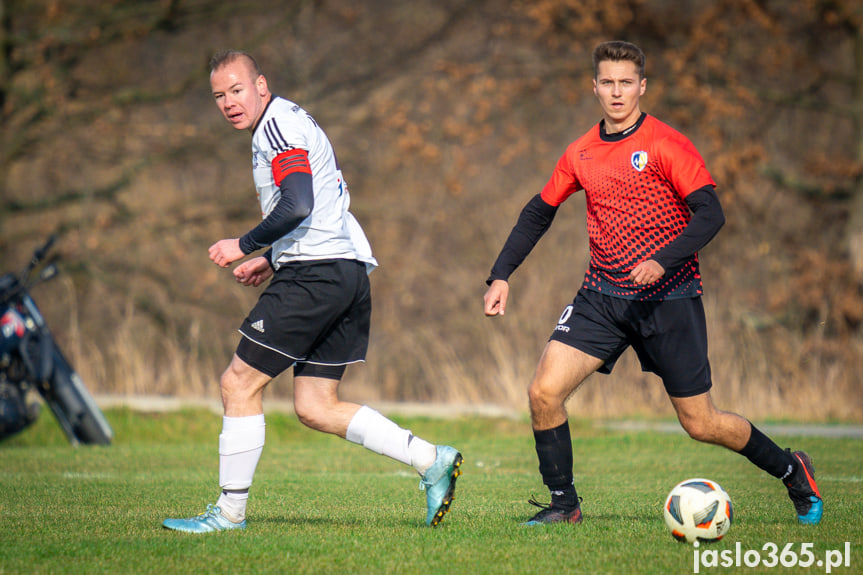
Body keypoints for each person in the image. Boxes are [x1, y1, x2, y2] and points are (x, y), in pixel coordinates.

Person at [482, 41, 822, 526]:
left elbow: (710, 214)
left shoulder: (666, 143)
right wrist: (501, 274)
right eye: (607, 82)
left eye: (626, 83)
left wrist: (662, 261)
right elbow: (540, 211)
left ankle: (793, 470)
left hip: (669, 300)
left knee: (701, 424)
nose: (616, 92)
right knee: (543, 392)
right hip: (601, 298)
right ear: (594, 86)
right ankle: (564, 506)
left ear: (642, 86)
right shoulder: (581, 151)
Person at [163, 50, 462, 533]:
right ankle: (431, 460)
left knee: (238, 384)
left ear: (261, 84)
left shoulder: (277, 126)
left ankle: (229, 514)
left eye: (237, 90)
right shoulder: (287, 120)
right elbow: (318, 203)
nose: (229, 103)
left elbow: (299, 202)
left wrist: (244, 244)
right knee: (315, 405)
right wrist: (271, 256)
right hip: (344, 271)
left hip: (315, 275)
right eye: (219, 96)